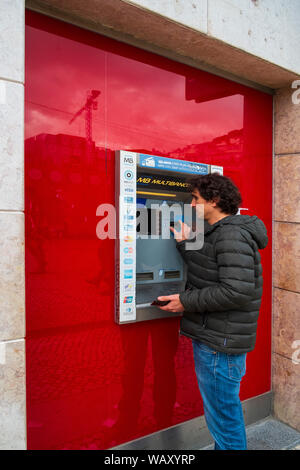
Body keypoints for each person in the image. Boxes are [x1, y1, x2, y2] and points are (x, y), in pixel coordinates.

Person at [157, 172, 268, 450]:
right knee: (222, 417)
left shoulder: (231, 234)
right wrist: (184, 244)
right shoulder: (223, 232)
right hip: (221, 337)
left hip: (220, 343)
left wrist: (186, 301)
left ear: (214, 200)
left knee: (224, 421)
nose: (191, 205)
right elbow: (212, 271)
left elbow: (237, 290)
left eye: (195, 199)